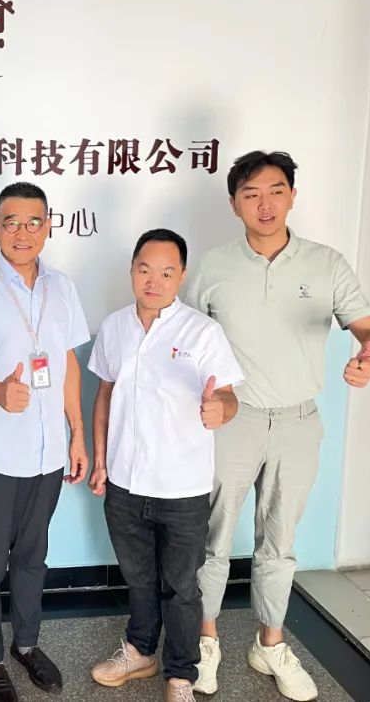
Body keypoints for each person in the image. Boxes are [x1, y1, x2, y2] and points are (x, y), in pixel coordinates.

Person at [188, 151, 370, 701]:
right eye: (251, 194)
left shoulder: (326, 264)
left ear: (292, 196)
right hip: (231, 421)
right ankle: (205, 641)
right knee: (211, 539)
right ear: (234, 204)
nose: (265, 203)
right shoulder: (212, 266)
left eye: (276, 190)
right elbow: (183, 343)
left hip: (299, 421)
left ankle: (270, 642)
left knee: (279, 543)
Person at [0, 182, 91, 702]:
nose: (22, 232)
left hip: (48, 453)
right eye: (11, 222)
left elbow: (67, 363)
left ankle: (26, 644)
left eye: (33, 222)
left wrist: (77, 433)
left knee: (32, 557)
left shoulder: (62, 287)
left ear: (48, 227)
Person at [86, 229, 243, 702]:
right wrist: (100, 459)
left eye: (166, 272)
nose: (153, 281)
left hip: (181, 487)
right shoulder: (115, 327)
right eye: (144, 270)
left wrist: (220, 409)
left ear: (182, 276)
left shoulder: (202, 332)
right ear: (132, 270)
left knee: (181, 587)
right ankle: (139, 652)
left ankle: (180, 675)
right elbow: (105, 395)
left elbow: (228, 396)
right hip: (125, 482)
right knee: (137, 578)